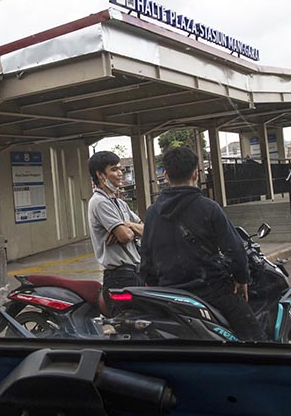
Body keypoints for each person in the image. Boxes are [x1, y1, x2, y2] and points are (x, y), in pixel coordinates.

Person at [139, 146, 266, 342]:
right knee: (255, 339)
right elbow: (235, 250)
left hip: (170, 294)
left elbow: (146, 259)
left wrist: (159, 287)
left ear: (166, 175)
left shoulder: (152, 213)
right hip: (211, 291)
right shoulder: (209, 208)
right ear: (196, 174)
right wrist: (242, 280)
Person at [86, 151, 143, 303]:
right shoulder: (100, 202)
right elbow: (125, 236)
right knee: (129, 316)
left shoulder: (120, 203)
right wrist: (129, 230)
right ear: (100, 175)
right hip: (120, 276)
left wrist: (127, 224)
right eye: (114, 169)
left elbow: (146, 230)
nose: (120, 173)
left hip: (135, 272)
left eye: (120, 169)